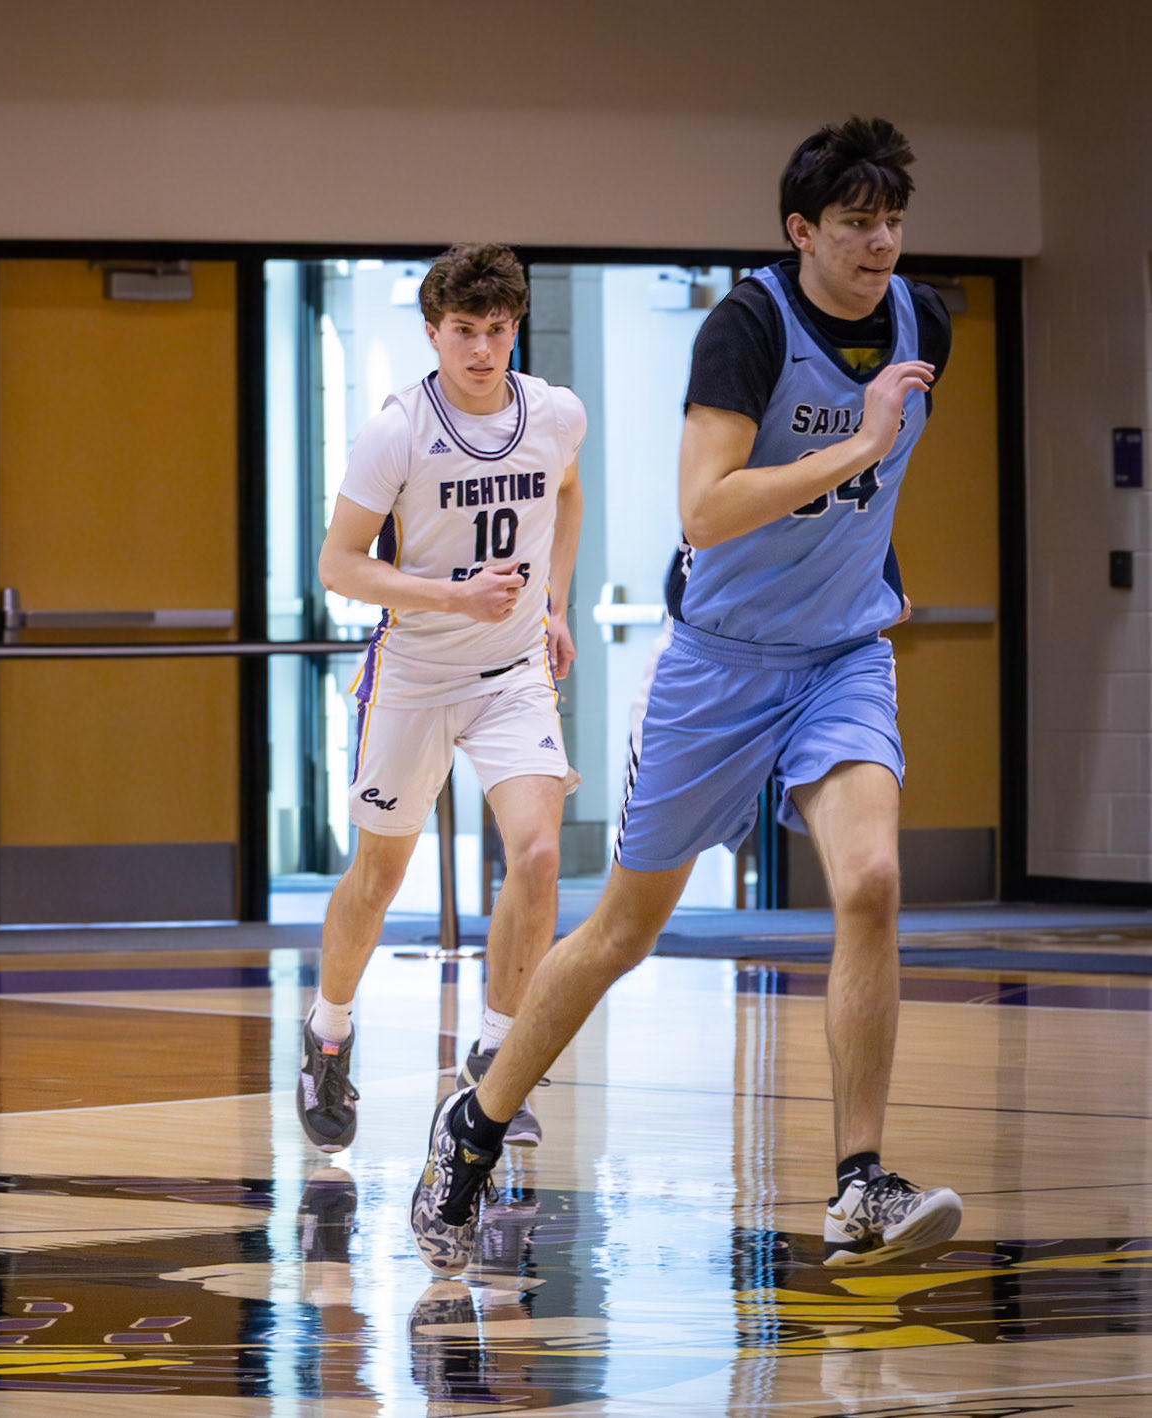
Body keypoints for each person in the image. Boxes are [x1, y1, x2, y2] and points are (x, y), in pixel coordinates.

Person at [410, 117, 964, 1277]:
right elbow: (704, 513)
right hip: (718, 663)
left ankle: (859, 1180)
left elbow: (882, 490)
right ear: (802, 230)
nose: (881, 243)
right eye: (857, 222)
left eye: (893, 220)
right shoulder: (748, 327)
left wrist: (882, 567)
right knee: (623, 930)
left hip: (841, 656)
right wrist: (854, 450)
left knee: (869, 879)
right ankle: (476, 1124)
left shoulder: (926, 326)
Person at [298, 243, 586, 1156]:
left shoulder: (555, 414)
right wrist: (450, 596)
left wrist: (555, 603)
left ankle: (499, 1062)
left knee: (536, 856)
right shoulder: (395, 431)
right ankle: (327, 1034)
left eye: (497, 330)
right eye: (463, 331)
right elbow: (337, 564)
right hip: (415, 673)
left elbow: (568, 493)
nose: (480, 349)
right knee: (378, 878)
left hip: (510, 674)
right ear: (433, 332)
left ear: (514, 329)